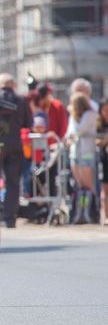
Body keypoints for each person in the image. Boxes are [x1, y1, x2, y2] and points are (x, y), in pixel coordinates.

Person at [0, 73, 33, 228]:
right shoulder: (21, 100)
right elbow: (28, 122)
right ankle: (10, 217)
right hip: (14, 144)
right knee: (13, 182)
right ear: (13, 85)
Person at [65, 92, 97, 224]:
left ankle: (90, 211)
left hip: (86, 152)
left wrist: (72, 117)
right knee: (80, 185)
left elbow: (79, 130)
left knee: (88, 185)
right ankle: (80, 211)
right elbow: (69, 132)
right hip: (75, 153)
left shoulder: (90, 114)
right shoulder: (73, 116)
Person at [95, 100, 108, 225]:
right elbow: (96, 141)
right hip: (104, 158)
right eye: (104, 110)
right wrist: (105, 140)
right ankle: (106, 216)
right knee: (105, 187)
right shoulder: (98, 123)